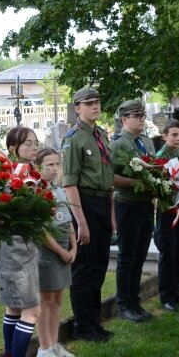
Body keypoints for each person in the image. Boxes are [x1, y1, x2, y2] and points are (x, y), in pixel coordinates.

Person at [61, 87, 116, 342]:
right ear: (77, 108)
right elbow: (69, 184)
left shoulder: (100, 134)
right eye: (89, 103)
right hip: (84, 204)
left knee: (99, 265)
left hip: (103, 203)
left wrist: (111, 216)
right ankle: (83, 326)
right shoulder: (74, 139)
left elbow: (108, 180)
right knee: (84, 268)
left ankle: (95, 321)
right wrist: (81, 223)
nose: (95, 106)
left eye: (97, 102)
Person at [0, 126, 44, 357]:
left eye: (36, 143)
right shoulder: (20, 174)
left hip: (19, 246)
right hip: (17, 248)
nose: (34, 147)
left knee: (14, 308)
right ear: (14, 148)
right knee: (32, 310)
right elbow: (22, 210)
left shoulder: (24, 171)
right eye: (28, 144)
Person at [110, 100, 155, 322]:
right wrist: (136, 183)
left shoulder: (146, 141)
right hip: (127, 205)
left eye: (143, 115)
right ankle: (124, 304)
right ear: (124, 119)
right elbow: (111, 177)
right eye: (136, 116)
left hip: (147, 205)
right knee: (127, 258)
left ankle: (135, 301)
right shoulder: (118, 144)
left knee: (140, 257)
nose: (141, 119)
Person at [34, 147, 77, 357]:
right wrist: (61, 251)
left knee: (58, 298)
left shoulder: (58, 190)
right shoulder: (37, 191)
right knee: (46, 299)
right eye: (48, 165)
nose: (54, 169)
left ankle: (55, 343)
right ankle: (44, 347)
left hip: (64, 250)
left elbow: (68, 221)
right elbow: (41, 230)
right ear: (38, 167)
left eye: (56, 164)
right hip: (49, 252)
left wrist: (73, 247)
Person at [153, 119, 179, 312]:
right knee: (168, 254)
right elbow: (162, 193)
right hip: (168, 209)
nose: (178, 138)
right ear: (165, 136)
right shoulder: (161, 158)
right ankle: (166, 296)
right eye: (174, 135)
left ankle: (177, 292)